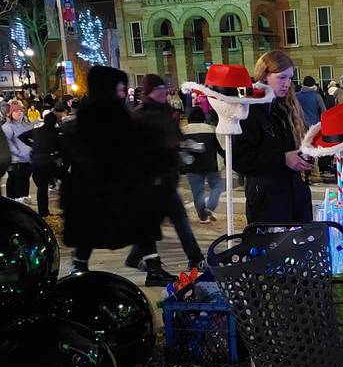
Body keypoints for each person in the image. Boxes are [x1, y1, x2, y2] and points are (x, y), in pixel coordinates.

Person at [61, 66, 176, 285]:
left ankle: (81, 265)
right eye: (120, 88)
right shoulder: (112, 118)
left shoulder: (88, 118)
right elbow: (133, 147)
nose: (124, 93)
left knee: (97, 228)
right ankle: (150, 268)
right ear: (108, 89)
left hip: (97, 188)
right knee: (138, 223)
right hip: (113, 188)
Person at [128, 74, 205, 270]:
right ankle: (193, 258)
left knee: (172, 221)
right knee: (169, 222)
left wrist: (186, 147)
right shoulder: (140, 116)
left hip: (168, 176)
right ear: (149, 92)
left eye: (164, 91)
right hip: (150, 179)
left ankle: (193, 258)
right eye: (158, 91)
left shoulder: (169, 113)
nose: (163, 95)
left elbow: (176, 137)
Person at [233, 50, 312, 223]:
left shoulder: (286, 107)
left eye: (290, 78)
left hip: (295, 194)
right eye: (282, 77)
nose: (287, 83)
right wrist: (282, 158)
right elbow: (239, 159)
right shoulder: (249, 109)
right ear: (265, 76)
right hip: (268, 203)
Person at [183, 106, 225, 224]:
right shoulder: (211, 129)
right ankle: (210, 207)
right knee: (217, 186)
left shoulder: (184, 131)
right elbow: (219, 148)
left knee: (198, 192)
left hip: (191, 165)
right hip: (211, 164)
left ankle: (202, 216)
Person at [19, 111, 61, 216]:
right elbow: (62, 146)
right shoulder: (56, 132)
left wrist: (32, 144)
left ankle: (43, 212)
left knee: (41, 188)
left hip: (36, 162)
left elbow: (21, 136)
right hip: (49, 162)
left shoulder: (36, 131)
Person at [2, 100, 33, 202]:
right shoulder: (7, 127)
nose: (19, 113)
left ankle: (23, 198)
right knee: (18, 180)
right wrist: (19, 153)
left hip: (28, 158)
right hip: (17, 159)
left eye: (20, 111)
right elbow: (7, 143)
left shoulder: (27, 125)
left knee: (25, 179)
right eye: (16, 111)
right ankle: (17, 200)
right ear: (11, 114)